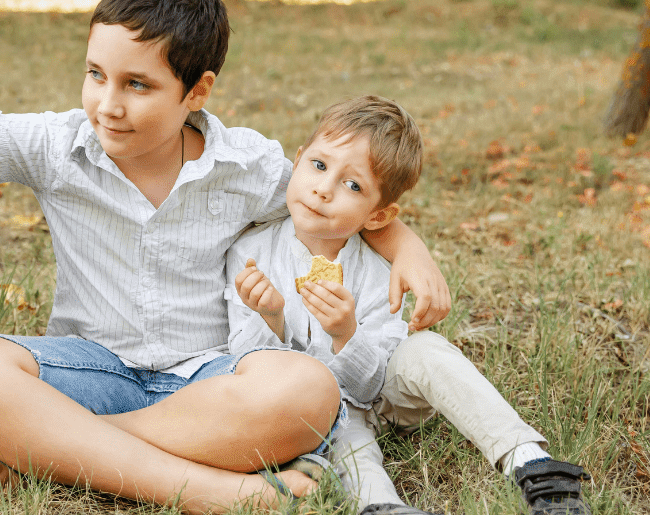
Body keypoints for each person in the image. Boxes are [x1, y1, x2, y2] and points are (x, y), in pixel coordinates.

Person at [0, 0, 450, 513]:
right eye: (96, 74)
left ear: (196, 91)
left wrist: (408, 248)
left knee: (307, 389)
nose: (107, 104)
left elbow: (336, 208)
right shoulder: (56, 148)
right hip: (90, 367)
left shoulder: (246, 165)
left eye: (137, 85)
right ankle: (218, 493)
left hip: (214, 382)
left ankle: (53, 450)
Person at [228, 95, 592, 515]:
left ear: (379, 216)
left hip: (383, 396)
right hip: (313, 413)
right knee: (347, 436)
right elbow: (244, 368)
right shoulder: (250, 253)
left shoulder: (382, 267)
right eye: (319, 165)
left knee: (427, 349)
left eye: (353, 186)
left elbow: (371, 385)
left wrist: (346, 334)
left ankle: (534, 465)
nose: (323, 190)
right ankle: (381, 506)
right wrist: (271, 316)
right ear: (298, 160)